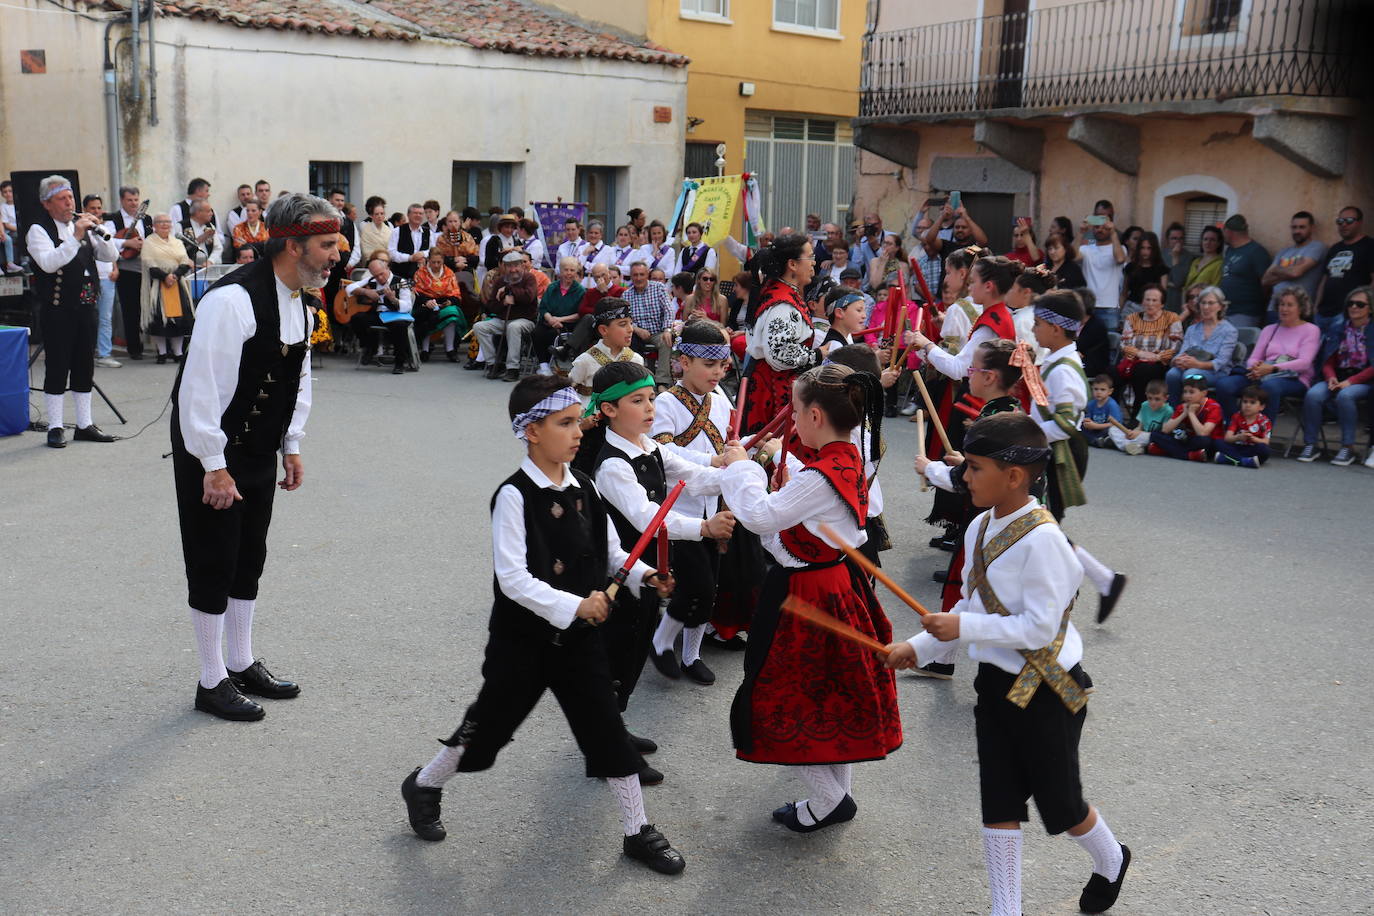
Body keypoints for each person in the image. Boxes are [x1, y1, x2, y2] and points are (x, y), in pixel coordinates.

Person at [399, 375, 686, 875]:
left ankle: (637, 830)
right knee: (485, 730)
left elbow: (614, 553)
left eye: (578, 422)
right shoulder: (513, 496)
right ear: (532, 431)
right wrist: (574, 606)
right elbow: (512, 578)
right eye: (565, 423)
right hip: (523, 645)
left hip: (579, 645)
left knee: (606, 730)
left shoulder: (586, 487)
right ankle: (424, 783)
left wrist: (647, 576)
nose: (578, 432)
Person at [886, 412, 1132, 916]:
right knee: (999, 797)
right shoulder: (978, 525)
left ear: (1014, 475)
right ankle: (1006, 909)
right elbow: (967, 610)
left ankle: (1111, 857)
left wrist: (964, 631)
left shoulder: (1045, 540)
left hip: (1049, 687)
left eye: (974, 467)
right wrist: (919, 647)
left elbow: (1040, 628)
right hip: (996, 686)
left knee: (1061, 806)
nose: (965, 476)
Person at [171, 192, 339, 720]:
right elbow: (200, 392)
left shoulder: (300, 300)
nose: (336, 255)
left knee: (250, 555)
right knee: (214, 556)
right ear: (293, 246)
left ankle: (241, 662)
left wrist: (292, 444)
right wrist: (213, 467)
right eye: (327, 245)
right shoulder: (231, 301)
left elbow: (297, 378)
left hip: (260, 448)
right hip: (214, 452)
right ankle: (210, 678)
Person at [719, 363, 901, 832]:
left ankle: (829, 798)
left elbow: (761, 517)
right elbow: (807, 498)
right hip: (833, 585)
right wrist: (777, 461)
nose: (791, 419)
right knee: (827, 695)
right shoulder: (848, 457)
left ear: (816, 416)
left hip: (806, 593)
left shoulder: (817, 477)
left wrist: (740, 467)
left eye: (796, 410)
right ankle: (832, 798)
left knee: (779, 699)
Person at [585, 361, 729, 775]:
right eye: (637, 401)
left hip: (646, 573)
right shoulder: (613, 464)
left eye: (651, 398)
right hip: (620, 574)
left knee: (632, 654)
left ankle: (615, 728)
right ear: (609, 410)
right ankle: (606, 750)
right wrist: (703, 526)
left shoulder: (650, 447)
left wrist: (736, 471)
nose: (650, 408)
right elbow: (651, 518)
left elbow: (696, 476)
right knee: (618, 656)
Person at [915, 339, 1024, 670]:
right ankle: (942, 656)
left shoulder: (989, 422)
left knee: (964, 586)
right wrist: (966, 461)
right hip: (1015, 515)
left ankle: (944, 657)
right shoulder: (1012, 413)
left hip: (990, 519)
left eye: (973, 369)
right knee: (996, 591)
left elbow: (966, 479)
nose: (968, 375)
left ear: (990, 377)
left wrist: (930, 469)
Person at [647, 321, 738, 686]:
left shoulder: (723, 401)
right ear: (684, 361)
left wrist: (745, 449)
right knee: (694, 586)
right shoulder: (666, 403)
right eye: (708, 364)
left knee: (710, 586)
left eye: (722, 366)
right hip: (680, 508)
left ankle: (691, 654)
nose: (716, 372)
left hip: (713, 504)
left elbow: (730, 441)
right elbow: (661, 450)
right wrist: (710, 462)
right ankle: (660, 641)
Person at [26, 175, 121, 446]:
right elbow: (47, 263)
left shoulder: (82, 226)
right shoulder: (38, 230)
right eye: (62, 199)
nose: (69, 203)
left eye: (70, 198)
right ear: (47, 204)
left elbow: (110, 256)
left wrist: (101, 234)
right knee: (57, 366)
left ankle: (84, 424)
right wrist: (77, 236)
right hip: (58, 309)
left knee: (84, 366)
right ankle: (55, 426)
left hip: (86, 306)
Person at [739, 233, 820, 433]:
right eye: (809, 258)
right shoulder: (783, 303)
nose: (814, 264)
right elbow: (779, 353)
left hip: (774, 385)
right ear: (792, 264)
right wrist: (817, 355)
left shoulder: (780, 291)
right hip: (773, 392)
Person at [909, 254, 1020, 381]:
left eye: (973, 282)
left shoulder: (988, 327)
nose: (969, 287)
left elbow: (958, 369)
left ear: (988, 286)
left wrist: (926, 344)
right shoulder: (1003, 314)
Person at [1030, 291, 1091, 521]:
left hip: (1060, 453)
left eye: (1037, 324)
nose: (1034, 329)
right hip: (1051, 448)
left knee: (1047, 520)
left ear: (1056, 329)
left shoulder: (1063, 370)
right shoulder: (1055, 359)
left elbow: (1065, 424)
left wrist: (1026, 431)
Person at [1296, 286, 1373, 466]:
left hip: (1364, 379)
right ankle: (1311, 444)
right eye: (1350, 304)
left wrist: (1350, 382)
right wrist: (1331, 377)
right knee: (1314, 394)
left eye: (1360, 304)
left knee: (1346, 396)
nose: (1354, 307)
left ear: (1370, 308)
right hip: (1338, 376)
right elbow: (1328, 359)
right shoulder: (1339, 328)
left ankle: (1347, 447)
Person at [1215, 287, 1320, 418]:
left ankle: (1261, 433)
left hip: (1294, 378)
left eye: (1289, 305)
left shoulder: (1311, 330)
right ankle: (1234, 427)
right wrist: (1255, 367)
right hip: (1263, 374)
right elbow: (1254, 357)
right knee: (1224, 385)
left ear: (1301, 308)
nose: (1284, 309)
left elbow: (1304, 363)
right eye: (1282, 304)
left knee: (1269, 387)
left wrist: (1273, 368)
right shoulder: (1269, 329)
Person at [141, 213, 197, 364]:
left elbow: (185, 260)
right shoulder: (149, 242)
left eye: (167, 222)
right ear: (154, 225)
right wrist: (165, 276)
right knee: (159, 320)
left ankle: (178, 352)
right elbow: (149, 263)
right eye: (161, 222)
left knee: (178, 320)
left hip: (177, 283)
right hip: (158, 284)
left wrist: (175, 275)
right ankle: (162, 352)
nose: (165, 225)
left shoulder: (177, 242)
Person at [475, 250, 540, 381]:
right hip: (503, 319)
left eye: (516, 265)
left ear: (522, 265)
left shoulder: (529, 278)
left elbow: (529, 296)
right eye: (509, 266)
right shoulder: (500, 281)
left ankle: (512, 368)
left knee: (514, 327)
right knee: (479, 327)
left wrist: (509, 290)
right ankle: (494, 363)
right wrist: (504, 303)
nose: (513, 269)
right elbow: (491, 305)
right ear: (504, 267)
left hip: (525, 320)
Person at [1166, 285, 1238, 403]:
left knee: (1190, 375)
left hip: (1216, 373)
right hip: (1190, 366)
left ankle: (1193, 413)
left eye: (1210, 303)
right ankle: (1173, 412)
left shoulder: (1229, 330)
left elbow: (1221, 362)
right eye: (1203, 303)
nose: (1206, 307)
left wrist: (1197, 364)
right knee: (1172, 374)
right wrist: (1177, 360)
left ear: (1220, 306)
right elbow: (1182, 352)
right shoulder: (1192, 329)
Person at [347, 251, 414, 374]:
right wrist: (366, 292)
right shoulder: (372, 280)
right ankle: (369, 347)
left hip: (395, 315)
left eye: (381, 274)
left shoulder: (401, 282)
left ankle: (400, 362)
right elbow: (349, 288)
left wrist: (394, 300)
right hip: (377, 314)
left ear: (387, 268)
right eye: (376, 275)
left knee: (399, 326)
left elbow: (407, 306)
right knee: (357, 319)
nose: (379, 278)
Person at [1117, 283, 1182, 409]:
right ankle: (1111, 416)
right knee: (1111, 373)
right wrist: (1140, 354)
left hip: (1160, 364)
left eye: (1154, 300)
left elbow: (1176, 346)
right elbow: (1124, 343)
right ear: (1142, 301)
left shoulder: (1172, 318)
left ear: (1162, 304)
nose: (1150, 303)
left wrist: (1157, 357)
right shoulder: (1132, 318)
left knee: (1143, 370)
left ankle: (1138, 413)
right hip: (1133, 361)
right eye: (1147, 299)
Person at [1313, 207, 1374, 335]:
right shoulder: (1335, 248)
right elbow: (1325, 279)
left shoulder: (1369, 246)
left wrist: (1364, 307)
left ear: (1360, 222)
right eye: (1340, 221)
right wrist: (1316, 307)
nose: (1344, 224)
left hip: (1348, 314)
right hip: (1323, 313)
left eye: (1349, 220)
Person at [569, 298, 643, 397]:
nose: (630, 329)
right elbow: (567, 391)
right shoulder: (586, 361)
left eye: (631, 323)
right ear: (603, 330)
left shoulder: (636, 360)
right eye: (623, 324)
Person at [1261, 211, 1326, 321]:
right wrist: (1290, 272)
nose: (1297, 231)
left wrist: (1276, 270)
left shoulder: (1317, 247)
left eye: (1302, 227)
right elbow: (1265, 280)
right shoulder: (1283, 252)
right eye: (1294, 227)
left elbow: (1296, 272)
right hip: (1274, 309)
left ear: (1312, 228)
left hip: (1299, 311)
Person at [81, 194, 121, 369]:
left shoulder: (103, 229)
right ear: (85, 210)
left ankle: (104, 354)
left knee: (105, 317)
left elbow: (110, 252)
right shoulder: (80, 230)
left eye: (98, 208)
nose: (96, 211)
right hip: (89, 279)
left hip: (107, 278)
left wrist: (115, 268)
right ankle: (87, 352)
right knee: (87, 316)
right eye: (92, 208)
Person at [623, 262, 676, 387]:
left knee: (666, 340)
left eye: (642, 274)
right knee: (627, 340)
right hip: (636, 332)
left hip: (658, 331)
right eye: (635, 275)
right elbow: (626, 319)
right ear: (631, 276)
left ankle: (662, 381)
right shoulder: (626, 294)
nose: (638, 278)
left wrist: (668, 329)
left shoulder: (658, 287)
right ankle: (636, 379)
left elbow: (668, 310)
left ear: (647, 274)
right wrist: (637, 329)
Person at [1149, 373, 1225, 461]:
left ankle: (1166, 451)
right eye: (1185, 392)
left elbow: (1203, 433)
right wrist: (1184, 414)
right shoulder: (1183, 407)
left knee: (1204, 441)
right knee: (1155, 434)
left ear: (1204, 393)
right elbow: (1166, 429)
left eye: (1191, 392)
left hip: (1206, 441)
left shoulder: (1214, 407)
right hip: (1188, 439)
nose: (1187, 396)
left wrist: (1191, 413)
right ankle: (1189, 455)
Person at [411, 250, 468, 362]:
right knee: (425, 315)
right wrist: (427, 302)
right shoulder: (420, 273)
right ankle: (425, 350)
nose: (436, 265)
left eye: (439, 262)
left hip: (444, 303)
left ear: (443, 261)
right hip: (426, 304)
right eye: (433, 262)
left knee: (452, 312)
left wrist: (450, 301)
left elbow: (456, 293)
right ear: (428, 261)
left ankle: (450, 350)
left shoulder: (449, 273)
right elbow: (416, 293)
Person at [532, 256, 585, 374]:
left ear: (576, 272)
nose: (569, 273)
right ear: (560, 271)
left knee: (550, 335)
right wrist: (550, 319)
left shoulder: (580, 290)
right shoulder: (552, 287)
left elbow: (580, 313)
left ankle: (553, 365)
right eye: (566, 270)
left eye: (572, 270)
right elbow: (543, 307)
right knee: (536, 332)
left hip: (567, 325)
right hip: (549, 321)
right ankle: (544, 366)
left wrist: (560, 319)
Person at [1217, 214, 1271, 330]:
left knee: (1241, 345)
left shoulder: (1257, 252)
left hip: (1245, 313)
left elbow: (1267, 283)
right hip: (1226, 311)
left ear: (1229, 232)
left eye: (1224, 231)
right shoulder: (1230, 250)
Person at [1078, 214, 1126, 332]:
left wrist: (1113, 233)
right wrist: (1081, 232)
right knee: (1087, 346)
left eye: (1104, 226)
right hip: (1088, 307)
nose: (1100, 229)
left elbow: (1120, 259)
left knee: (1110, 346)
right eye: (1097, 226)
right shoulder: (1086, 249)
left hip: (1110, 307)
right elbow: (1072, 257)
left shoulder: (1120, 248)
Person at [1214, 386, 1273, 468]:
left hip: (1252, 448)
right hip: (1237, 446)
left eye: (1252, 402)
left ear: (1261, 407)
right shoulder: (1237, 417)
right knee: (1218, 442)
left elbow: (1266, 442)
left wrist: (1253, 439)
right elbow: (1227, 438)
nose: (1247, 405)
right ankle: (1244, 461)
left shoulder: (1264, 421)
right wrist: (1238, 437)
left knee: (1264, 449)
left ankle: (1230, 459)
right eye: (1245, 402)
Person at [1114, 379, 1173, 454]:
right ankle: (1132, 446)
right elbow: (1140, 426)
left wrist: (1139, 433)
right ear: (1146, 395)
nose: (1153, 402)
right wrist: (1133, 432)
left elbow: (1163, 433)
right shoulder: (1144, 405)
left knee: (1146, 438)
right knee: (1113, 429)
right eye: (1150, 398)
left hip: (1153, 437)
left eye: (1157, 399)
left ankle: (1125, 445)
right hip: (1141, 435)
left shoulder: (1168, 410)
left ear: (1166, 398)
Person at [1121, 231, 1168, 318]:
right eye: (1142, 248)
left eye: (1149, 248)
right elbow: (1124, 293)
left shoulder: (1161, 269)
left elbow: (1162, 295)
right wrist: (1119, 311)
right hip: (1131, 307)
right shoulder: (1130, 267)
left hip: (1151, 308)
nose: (1145, 252)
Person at [389, 204, 432, 282]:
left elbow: (433, 250)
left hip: (422, 276)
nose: (418, 215)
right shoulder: (397, 231)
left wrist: (423, 254)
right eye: (415, 213)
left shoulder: (429, 232)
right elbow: (391, 253)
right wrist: (410, 258)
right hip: (400, 275)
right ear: (408, 215)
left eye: (420, 213)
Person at [820, 290, 868, 358]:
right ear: (839, 313)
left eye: (864, 310)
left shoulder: (845, 339)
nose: (864, 316)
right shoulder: (836, 346)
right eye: (859, 310)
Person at [1081, 375, 1124, 448]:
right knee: (1081, 427)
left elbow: (1116, 424)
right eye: (1096, 389)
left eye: (1102, 389)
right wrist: (1087, 423)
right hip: (1094, 429)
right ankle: (1098, 441)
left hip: (1106, 429)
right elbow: (1088, 418)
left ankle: (1099, 441)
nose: (1098, 392)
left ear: (1110, 391)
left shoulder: (1111, 404)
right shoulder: (1091, 404)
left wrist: (1096, 426)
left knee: (1112, 431)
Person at [1161, 222, 1195, 312]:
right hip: (1163, 301)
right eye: (1174, 238)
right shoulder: (1161, 255)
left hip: (1180, 302)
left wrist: (1175, 257)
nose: (1178, 241)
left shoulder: (1189, 257)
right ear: (1168, 240)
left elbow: (1179, 281)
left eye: (1181, 238)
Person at [1184, 225, 1224, 291]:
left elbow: (1216, 288)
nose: (1208, 242)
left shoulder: (1220, 264)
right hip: (1189, 299)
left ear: (1218, 243)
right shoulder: (1196, 261)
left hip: (1205, 299)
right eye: (1205, 239)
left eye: (1212, 240)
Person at [358, 199, 393, 266]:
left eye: (382, 214)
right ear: (371, 215)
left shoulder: (388, 229)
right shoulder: (366, 230)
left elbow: (392, 248)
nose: (379, 216)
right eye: (376, 214)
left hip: (388, 262)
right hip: (371, 263)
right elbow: (366, 251)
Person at [1, 179, 21, 272]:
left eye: (10, 191)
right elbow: (6, 225)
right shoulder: (3, 207)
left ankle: (25, 260)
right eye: (5, 192)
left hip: (18, 230)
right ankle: (10, 264)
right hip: (10, 231)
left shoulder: (19, 205)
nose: (8, 194)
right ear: (2, 194)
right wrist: (20, 230)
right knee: (15, 237)